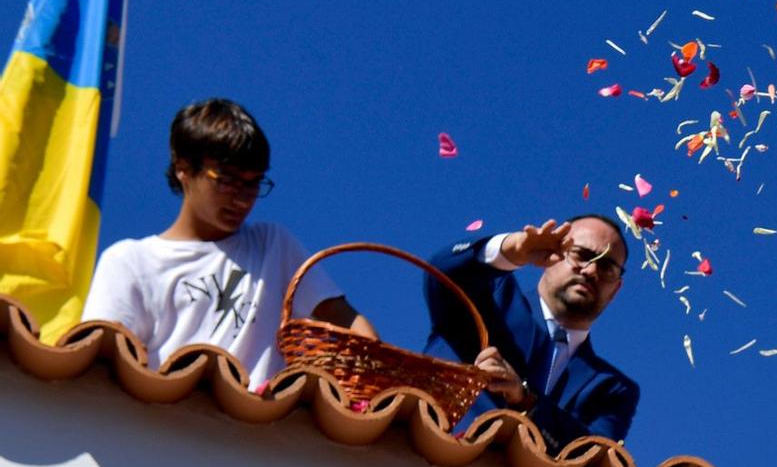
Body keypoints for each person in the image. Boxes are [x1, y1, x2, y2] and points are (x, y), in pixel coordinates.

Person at [80, 99, 375, 387]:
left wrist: (374, 379)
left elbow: (348, 323)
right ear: (183, 168)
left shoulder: (273, 246)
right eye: (226, 181)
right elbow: (101, 366)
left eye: (253, 183)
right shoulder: (131, 261)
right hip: (162, 425)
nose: (243, 198)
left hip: (255, 428)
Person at [424, 216, 640, 447]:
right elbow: (443, 272)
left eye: (607, 267)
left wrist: (528, 401)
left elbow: (595, 455)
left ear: (616, 289)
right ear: (552, 255)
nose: (590, 270)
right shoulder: (492, 298)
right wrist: (513, 249)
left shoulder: (613, 389)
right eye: (581, 254)